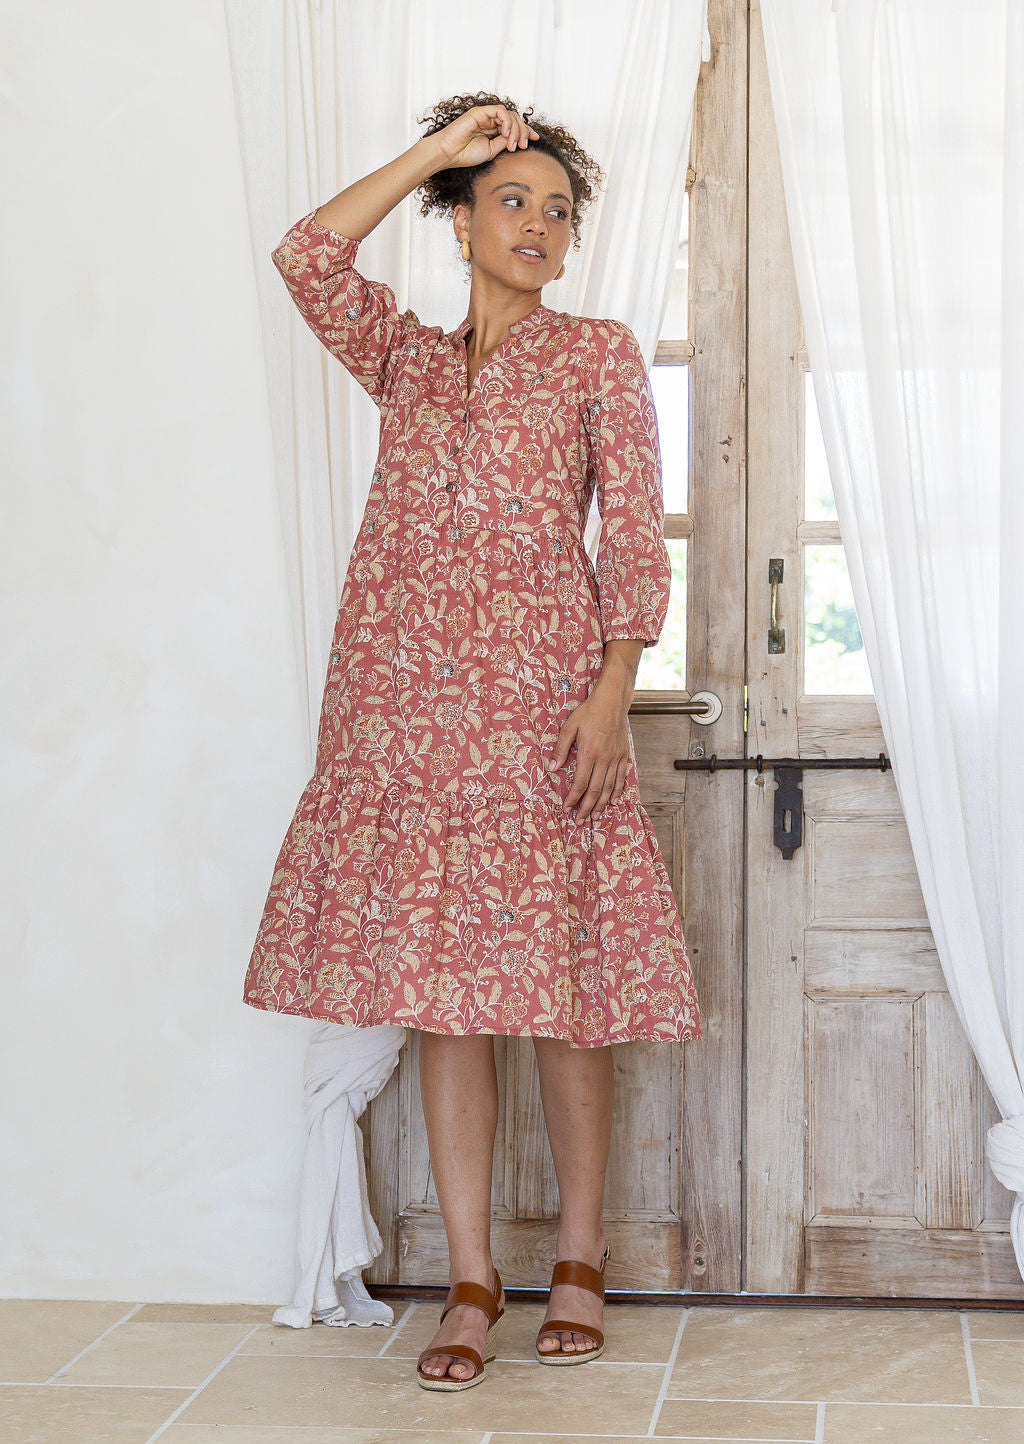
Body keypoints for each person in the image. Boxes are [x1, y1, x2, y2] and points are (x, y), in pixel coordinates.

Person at [243, 92, 702, 1392]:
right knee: (447, 1010)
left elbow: (634, 530)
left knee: (562, 1004)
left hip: (546, 719)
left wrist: (614, 691)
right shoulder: (403, 359)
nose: (542, 225)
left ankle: (577, 1258)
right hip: (403, 722)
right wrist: (442, 149)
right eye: (514, 200)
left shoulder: (598, 355)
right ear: (459, 219)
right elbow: (304, 255)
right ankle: (471, 1280)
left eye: (560, 210)